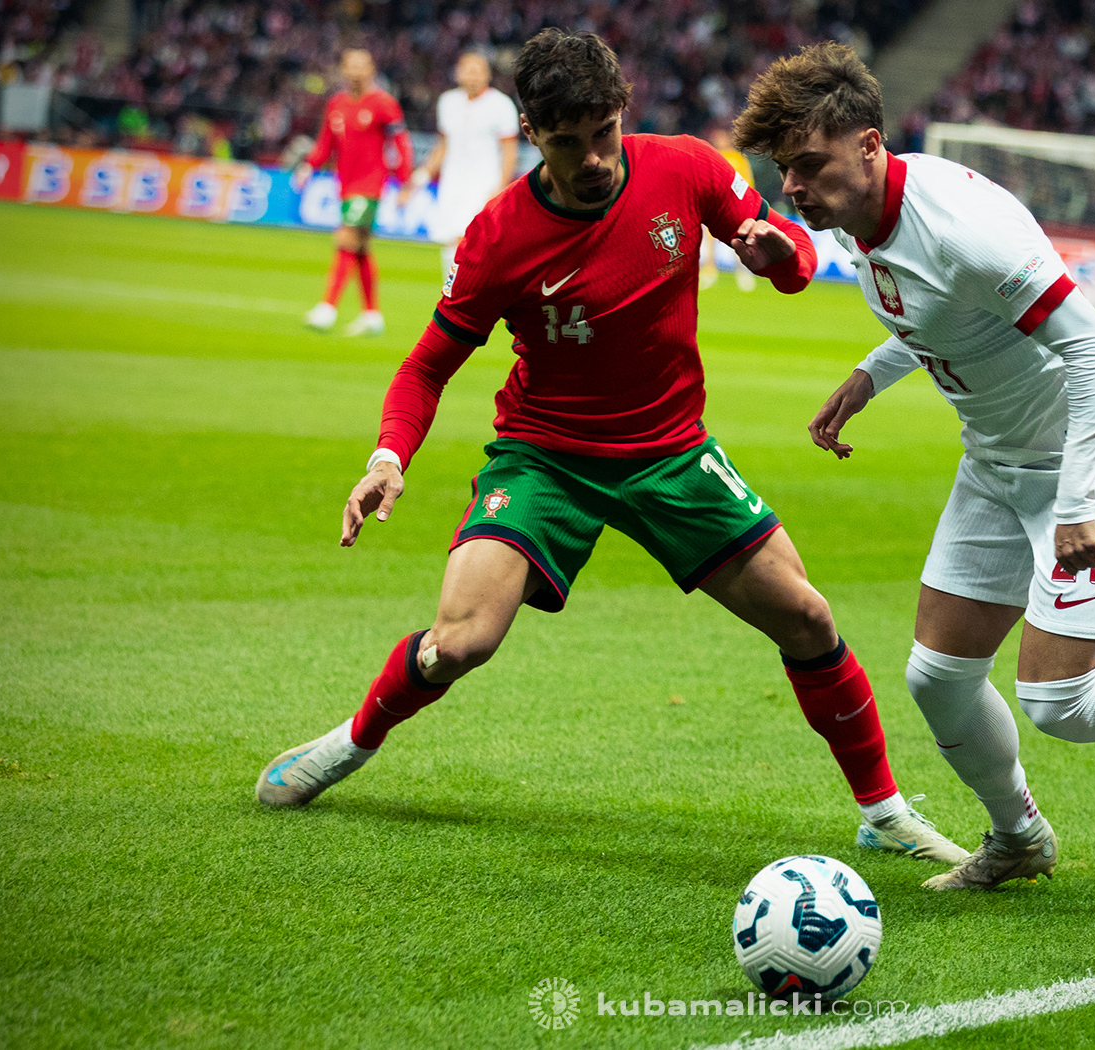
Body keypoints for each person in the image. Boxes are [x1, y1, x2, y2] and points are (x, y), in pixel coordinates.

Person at [256, 30, 969, 866]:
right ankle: (351, 742)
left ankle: (882, 812)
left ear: (622, 112)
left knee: (808, 619)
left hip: (671, 453)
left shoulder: (685, 168)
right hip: (546, 458)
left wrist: (786, 257)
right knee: (461, 641)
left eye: (603, 132)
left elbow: (789, 250)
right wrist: (388, 459)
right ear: (533, 131)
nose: (593, 157)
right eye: (568, 141)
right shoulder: (498, 237)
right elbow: (426, 366)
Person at [731, 43, 1095, 891]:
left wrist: (1078, 500)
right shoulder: (869, 214)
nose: (792, 185)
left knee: (1058, 704)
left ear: (869, 146)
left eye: (809, 165)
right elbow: (932, 311)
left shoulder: (965, 230)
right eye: (786, 168)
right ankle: (1020, 838)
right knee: (938, 677)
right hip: (1000, 458)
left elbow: (1091, 356)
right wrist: (869, 377)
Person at [295, 49, 414, 337]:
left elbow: (400, 143)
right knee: (360, 248)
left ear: (372, 70)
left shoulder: (384, 104)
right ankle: (372, 315)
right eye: (351, 66)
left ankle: (327, 307)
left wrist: (405, 183)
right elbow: (326, 143)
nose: (356, 72)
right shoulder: (337, 104)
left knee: (346, 237)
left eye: (362, 66)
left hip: (371, 185)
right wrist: (308, 167)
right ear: (343, 70)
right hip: (345, 186)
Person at [413, 52, 520, 280]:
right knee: (450, 239)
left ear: (487, 74)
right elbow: (442, 145)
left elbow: (510, 150)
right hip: (452, 183)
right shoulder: (448, 102)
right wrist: (422, 175)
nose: (472, 75)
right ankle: (451, 290)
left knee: (470, 239)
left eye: (477, 70)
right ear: (457, 73)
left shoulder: (500, 105)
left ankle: (464, 290)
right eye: (467, 69)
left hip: (483, 184)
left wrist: (502, 185)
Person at [699, 124, 757, 292]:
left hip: (735, 207)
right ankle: (709, 272)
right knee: (710, 242)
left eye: (721, 137)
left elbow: (747, 181)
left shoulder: (738, 159)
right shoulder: (714, 156)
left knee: (738, 240)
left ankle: (743, 273)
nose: (719, 140)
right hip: (716, 206)